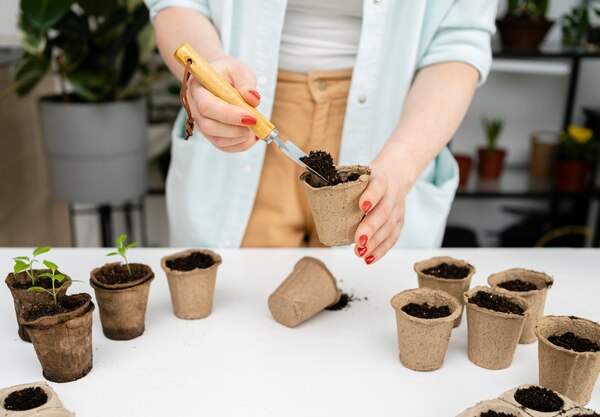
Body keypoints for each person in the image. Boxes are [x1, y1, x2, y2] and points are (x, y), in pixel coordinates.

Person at [146, 0, 497, 264]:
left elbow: (459, 41)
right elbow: (178, 4)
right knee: (238, 318)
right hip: (247, 111)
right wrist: (210, 70)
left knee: (359, 326)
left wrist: (400, 167)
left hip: (392, 129)